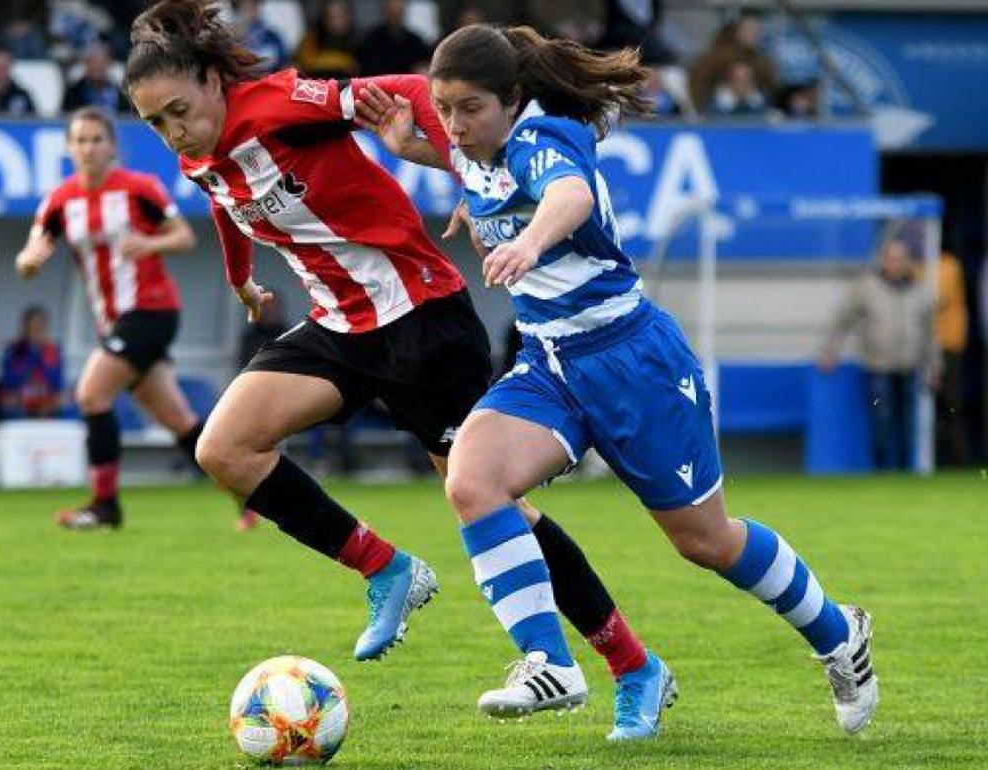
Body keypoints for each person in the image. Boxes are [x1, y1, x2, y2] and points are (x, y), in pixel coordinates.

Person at [124, 3, 663, 722]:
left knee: (494, 501)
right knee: (224, 447)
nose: (171, 134)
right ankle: (387, 568)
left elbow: (410, 92)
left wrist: (478, 182)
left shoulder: (280, 103)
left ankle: (634, 666)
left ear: (215, 82)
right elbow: (224, 197)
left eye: (178, 112)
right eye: (155, 123)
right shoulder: (197, 152)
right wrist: (240, 276)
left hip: (422, 322)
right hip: (342, 328)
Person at [362, 22, 877, 738]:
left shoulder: (547, 139)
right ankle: (550, 662)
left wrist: (529, 242)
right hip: (551, 364)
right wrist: (413, 150)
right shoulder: (473, 143)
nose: (452, 123)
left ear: (513, 99)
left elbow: (566, 194)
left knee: (705, 541)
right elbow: (475, 166)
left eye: (468, 108)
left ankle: (836, 632)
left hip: (632, 361)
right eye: (442, 107)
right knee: (472, 478)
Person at [15, 106, 202, 530]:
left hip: (152, 310)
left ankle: (104, 505)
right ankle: (252, 495)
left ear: (112, 146)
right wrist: (28, 262)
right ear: (69, 148)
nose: (88, 148)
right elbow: (29, 255)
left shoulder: (139, 189)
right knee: (177, 419)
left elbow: (185, 237)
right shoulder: (60, 201)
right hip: (114, 321)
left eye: (97, 139)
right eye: (80, 140)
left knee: (91, 395)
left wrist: (150, 245)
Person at [820, 238, 938, 471]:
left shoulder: (920, 291)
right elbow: (843, 320)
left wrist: (934, 366)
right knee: (882, 421)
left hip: (909, 366)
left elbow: (930, 334)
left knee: (908, 424)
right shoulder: (867, 287)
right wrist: (830, 351)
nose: (896, 264)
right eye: (891, 259)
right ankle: (881, 471)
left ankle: (906, 472)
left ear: (908, 262)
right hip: (878, 366)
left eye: (901, 259)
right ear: (883, 260)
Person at [0, 305, 66, 419]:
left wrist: (42, 354)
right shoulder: (14, 349)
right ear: (25, 328)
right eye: (32, 326)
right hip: (20, 397)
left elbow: (57, 383)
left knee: (62, 402)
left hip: (45, 399)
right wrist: (31, 354)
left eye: (40, 326)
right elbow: (8, 381)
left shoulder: (53, 350)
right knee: (8, 401)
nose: (36, 330)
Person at [934, 248, 970, 466]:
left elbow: (938, 299)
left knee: (950, 406)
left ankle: (958, 461)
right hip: (925, 347)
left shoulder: (948, 265)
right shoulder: (921, 264)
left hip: (948, 345)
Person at [356, 0, 429, 76]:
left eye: (399, 11)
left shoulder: (415, 41)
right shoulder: (370, 40)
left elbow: (422, 65)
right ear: (385, 11)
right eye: (393, 12)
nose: (396, 16)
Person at [293, 0, 358, 80]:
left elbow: (357, 67)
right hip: (316, 83)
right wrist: (342, 61)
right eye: (331, 17)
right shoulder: (314, 36)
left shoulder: (359, 39)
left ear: (349, 16)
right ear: (324, 18)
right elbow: (306, 62)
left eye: (340, 16)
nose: (336, 22)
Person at [61, 43, 131, 115]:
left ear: (108, 64)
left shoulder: (119, 90)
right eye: (93, 62)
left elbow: (128, 116)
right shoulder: (74, 93)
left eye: (101, 63)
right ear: (86, 65)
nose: (97, 67)